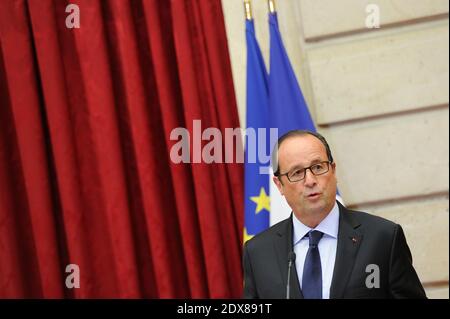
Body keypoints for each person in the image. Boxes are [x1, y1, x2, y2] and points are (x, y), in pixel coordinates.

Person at [243, 130, 426, 299]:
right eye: (297, 172)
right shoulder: (258, 252)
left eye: (318, 167)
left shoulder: (383, 238)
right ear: (279, 185)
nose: (310, 180)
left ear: (333, 170)